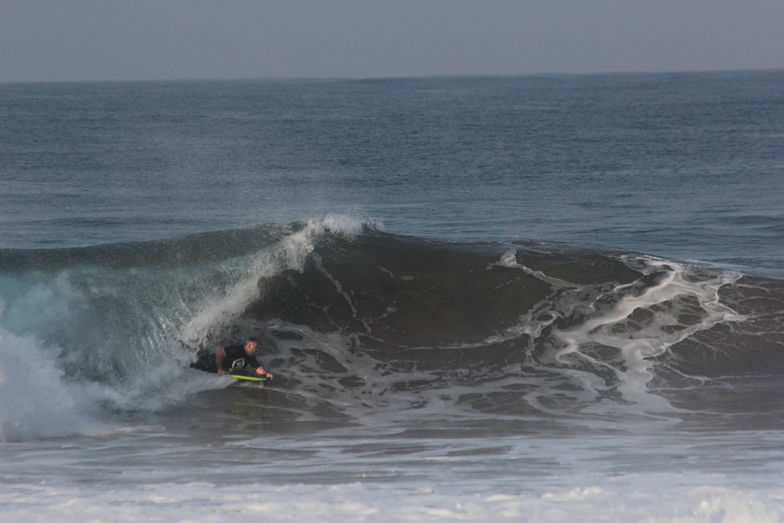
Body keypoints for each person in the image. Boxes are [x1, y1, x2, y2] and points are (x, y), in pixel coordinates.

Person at [191, 338, 274, 379]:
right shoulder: (237, 349)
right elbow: (219, 353)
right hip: (206, 362)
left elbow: (256, 367)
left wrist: (266, 373)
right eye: (256, 347)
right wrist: (220, 369)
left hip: (214, 367)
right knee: (189, 362)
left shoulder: (250, 356)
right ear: (249, 346)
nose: (258, 349)